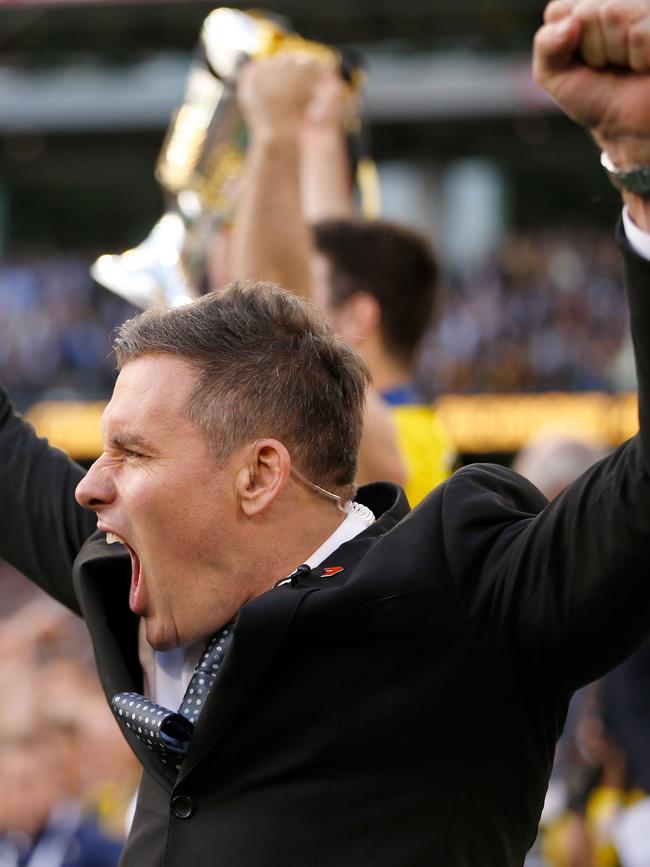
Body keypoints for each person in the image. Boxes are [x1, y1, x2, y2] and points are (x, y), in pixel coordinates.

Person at [3, 3, 650, 864]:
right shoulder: (131, 574)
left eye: (132, 450)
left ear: (258, 476)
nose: (90, 482)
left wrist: (642, 171)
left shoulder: (465, 592)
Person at [233, 58, 455, 505]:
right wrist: (318, 128)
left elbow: (269, 309)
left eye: (312, 289)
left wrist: (274, 132)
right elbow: (328, 237)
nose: (302, 297)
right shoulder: (408, 422)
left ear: (359, 316)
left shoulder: (373, 427)